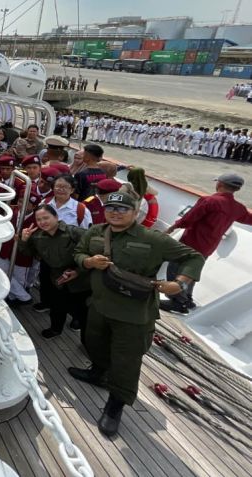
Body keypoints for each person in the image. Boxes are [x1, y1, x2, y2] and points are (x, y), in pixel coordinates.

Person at [69, 191, 204, 437]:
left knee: (126, 362)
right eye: (111, 208)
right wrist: (88, 262)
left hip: (134, 314)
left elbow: (193, 257)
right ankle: (97, 373)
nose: (115, 212)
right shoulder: (96, 232)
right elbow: (79, 252)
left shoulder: (152, 238)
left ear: (134, 213)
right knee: (94, 343)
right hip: (99, 305)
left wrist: (179, 283)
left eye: (122, 209)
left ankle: (115, 406)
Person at [161, 173, 252, 313]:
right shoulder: (237, 208)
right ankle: (187, 299)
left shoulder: (209, 201)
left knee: (176, 269)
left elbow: (189, 219)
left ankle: (178, 302)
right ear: (237, 189)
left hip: (191, 242)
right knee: (192, 271)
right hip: (208, 247)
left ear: (219, 184)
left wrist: (173, 227)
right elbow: (249, 219)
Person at [19, 204, 89, 338]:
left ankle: (79, 325)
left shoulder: (74, 232)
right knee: (57, 307)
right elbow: (29, 253)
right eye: (39, 220)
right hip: (57, 279)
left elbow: (92, 253)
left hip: (80, 279)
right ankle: (56, 329)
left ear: (56, 217)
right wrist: (24, 240)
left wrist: (78, 271)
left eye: (46, 218)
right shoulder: (37, 237)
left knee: (81, 308)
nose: (42, 222)